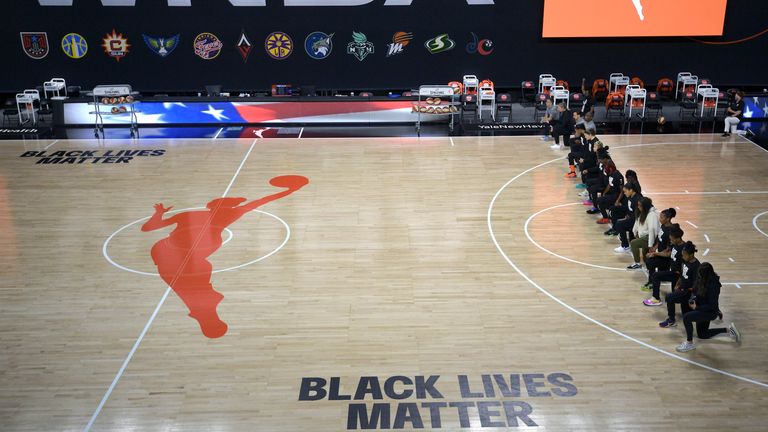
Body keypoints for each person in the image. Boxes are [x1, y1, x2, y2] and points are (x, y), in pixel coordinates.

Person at [141, 175, 309, 338]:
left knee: (198, 292)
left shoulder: (199, 215)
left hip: (172, 256)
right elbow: (260, 202)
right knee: (199, 292)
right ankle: (205, 318)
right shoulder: (227, 216)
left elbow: (147, 228)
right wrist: (290, 190)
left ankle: (205, 318)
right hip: (172, 255)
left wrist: (159, 213)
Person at [675, 262, 741, 352]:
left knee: (686, 317)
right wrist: (693, 296)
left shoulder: (714, 285)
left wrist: (696, 308)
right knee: (703, 334)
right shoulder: (702, 278)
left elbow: (712, 305)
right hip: (702, 307)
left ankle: (689, 343)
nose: (699, 275)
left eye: (701, 274)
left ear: (706, 274)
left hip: (709, 312)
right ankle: (729, 330)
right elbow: (695, 289)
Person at [658, 241, 700, 327]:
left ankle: (671, 320)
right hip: (682, 288)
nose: (683, 256)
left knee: (669, 297)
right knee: (685, 313)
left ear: (691, 255)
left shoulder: (696, 266)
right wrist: (677, 284)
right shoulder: (685, 261)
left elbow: (696, 283)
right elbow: (682, 275)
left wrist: (689, 293)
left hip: (687, 291)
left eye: (685, 255)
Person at [643, 224, 684, 306]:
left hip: (677, 274)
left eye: (672, 240)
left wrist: (679, 282)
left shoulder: (683, 250)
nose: (670, 242)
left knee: (656, 275)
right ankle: (656, 298)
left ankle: (656, 299)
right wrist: (655, 253)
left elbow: (684, 267)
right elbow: (668, 253)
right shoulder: (675, 244)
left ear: (678, 238)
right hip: (672, 271)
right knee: (656, 275)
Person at [642, 208, 676, 289]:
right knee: (648, 260)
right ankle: (652, 280)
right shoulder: (663, 226)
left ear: (668, 219)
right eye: (660, 216)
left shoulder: (671, 232)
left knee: (651, 262)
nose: (659, 219)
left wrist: (654, 254)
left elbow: (668, 250)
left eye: (661, 217)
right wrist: (654, 248)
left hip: (666, 257)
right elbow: (659, 239)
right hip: (660, 253)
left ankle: (652, 283)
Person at [604, 170, 640, 235]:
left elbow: (633, 205)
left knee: (615, 211)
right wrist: (618, 201)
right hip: (627, 205)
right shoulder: (630, 184)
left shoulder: (636, 188)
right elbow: (623, 192)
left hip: (629, 208)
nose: (626, 180)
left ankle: (616, 229)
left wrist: (628, 214)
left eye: (627, 178)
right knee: (613, 208)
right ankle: (615, 228)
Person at [627, 197, 659, 270]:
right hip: (643, 236)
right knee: (646, 259)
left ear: (645, 206)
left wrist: (651, 245)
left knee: (633, 243)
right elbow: (637, 222)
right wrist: (634, 231)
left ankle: (637, 263)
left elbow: (652, 230)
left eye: (640, 205)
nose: (638, 207)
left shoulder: (652, 215)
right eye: (638, 205)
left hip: (650, 237)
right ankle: (649, 265)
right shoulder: (643, 212)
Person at [613, 182, 642, 253]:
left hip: (637, 221)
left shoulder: (638, 199)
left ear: (631, 190)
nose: (624, 193)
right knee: (619, 222)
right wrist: (626, 217)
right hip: (632, 218)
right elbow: (630, 210)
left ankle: (625, 246)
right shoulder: (630, 197)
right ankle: (626, 241)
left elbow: (638, 214)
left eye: (625, 191)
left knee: (620, 224)